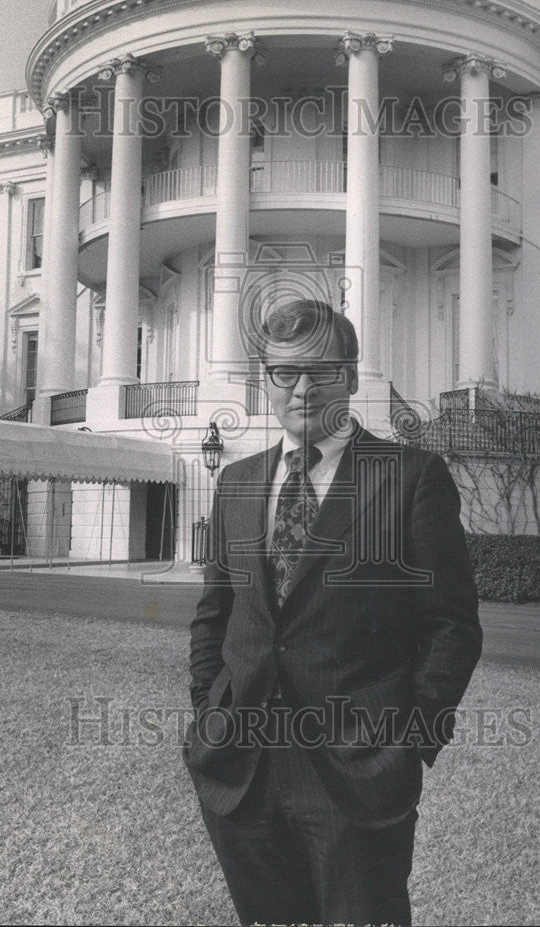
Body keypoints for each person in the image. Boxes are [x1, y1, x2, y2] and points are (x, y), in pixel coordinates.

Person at [184, 298, 482, 926]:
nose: (301, 389)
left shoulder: (410, 476)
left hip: (356, 771)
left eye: (319, 370)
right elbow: (216, 612)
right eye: (283, 373)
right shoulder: (237, 481)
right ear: (265, 380)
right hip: (243, 769)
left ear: (349, 375)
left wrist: (410, 744)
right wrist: (209, 711)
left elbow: (452, 624)